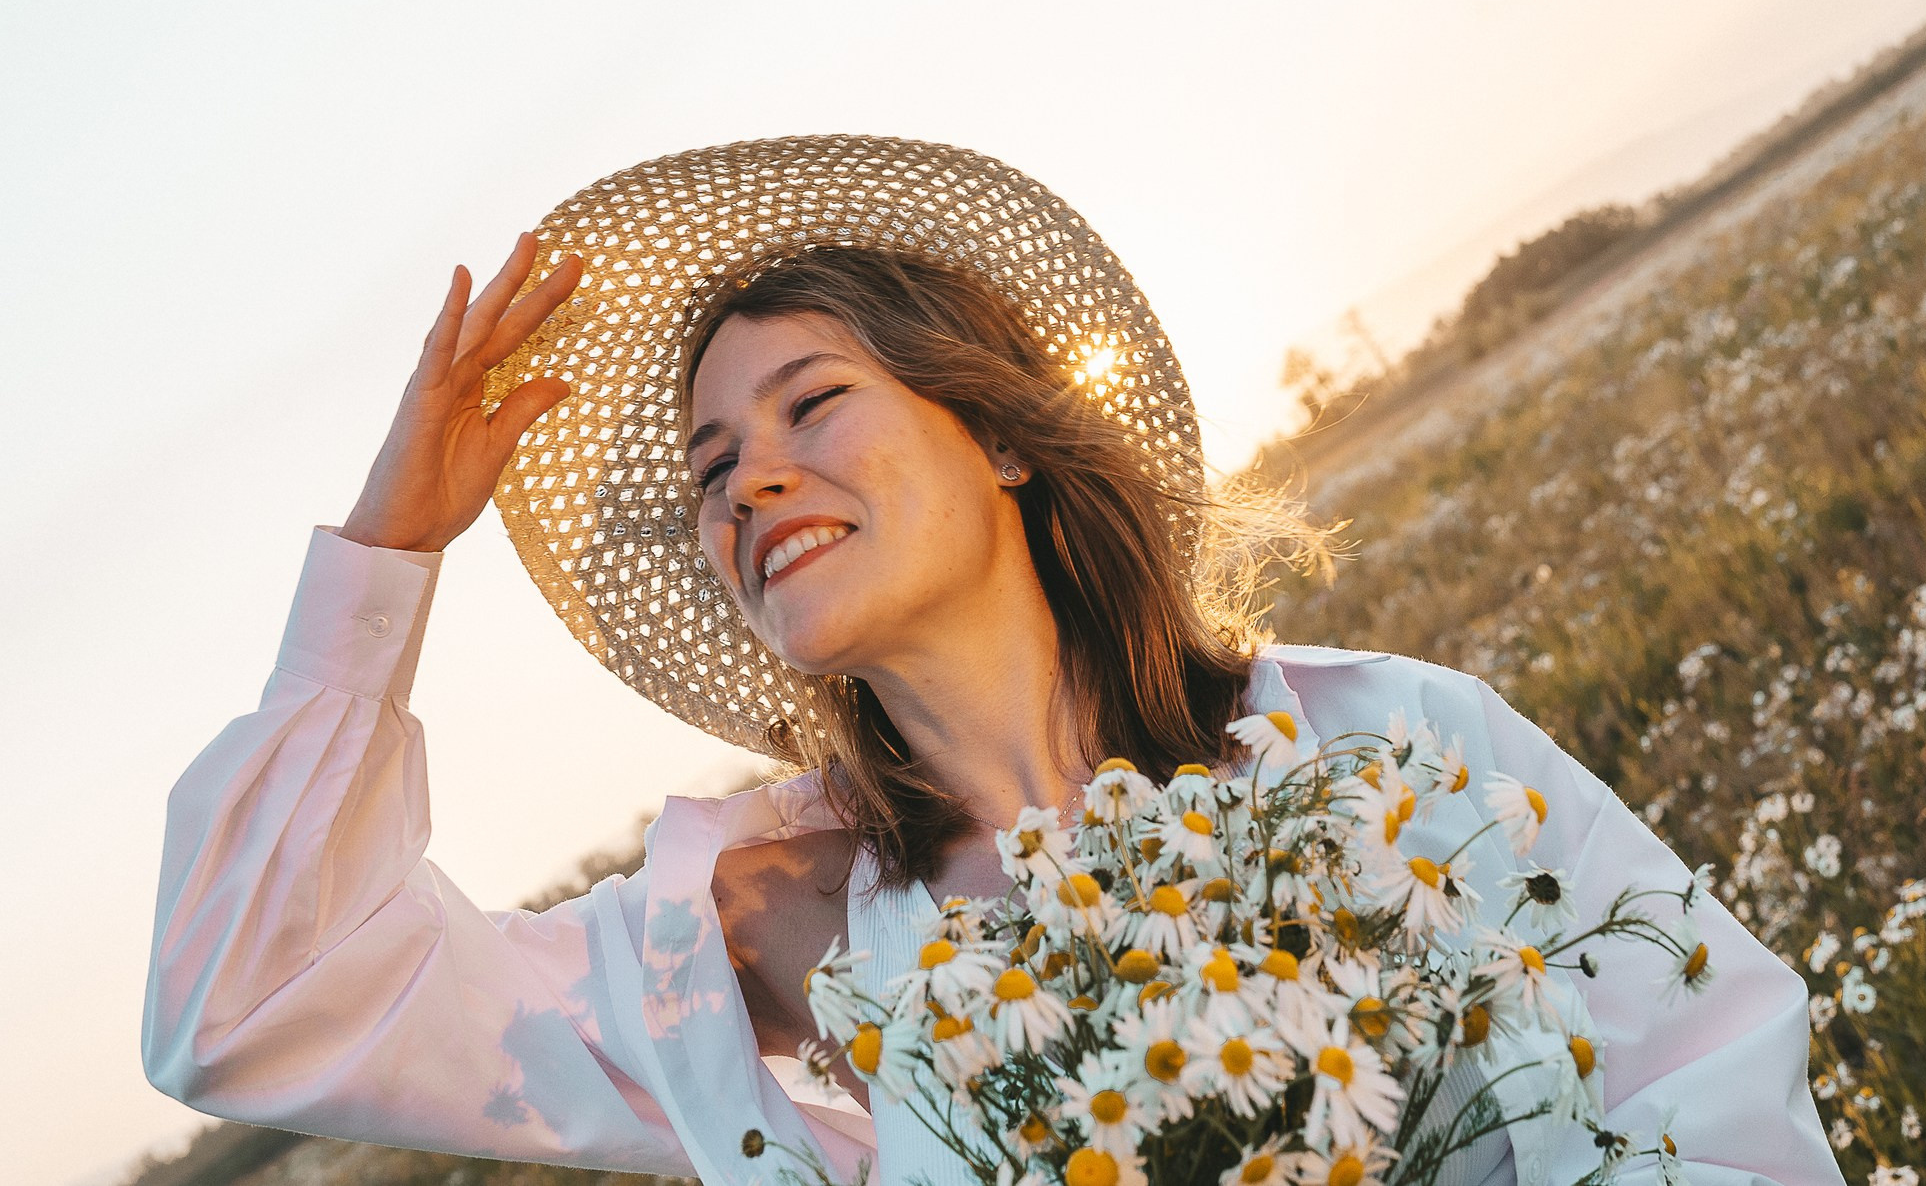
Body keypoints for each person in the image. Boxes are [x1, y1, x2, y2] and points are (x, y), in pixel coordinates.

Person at [144, 137, 1840, 1186]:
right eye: (714, 470)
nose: (753, 483)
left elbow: (1712, 1081)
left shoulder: (1389, 745)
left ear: (1006, 436)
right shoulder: (743, 936)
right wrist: (390, 549)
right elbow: (250, 1004)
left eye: (813, 405)